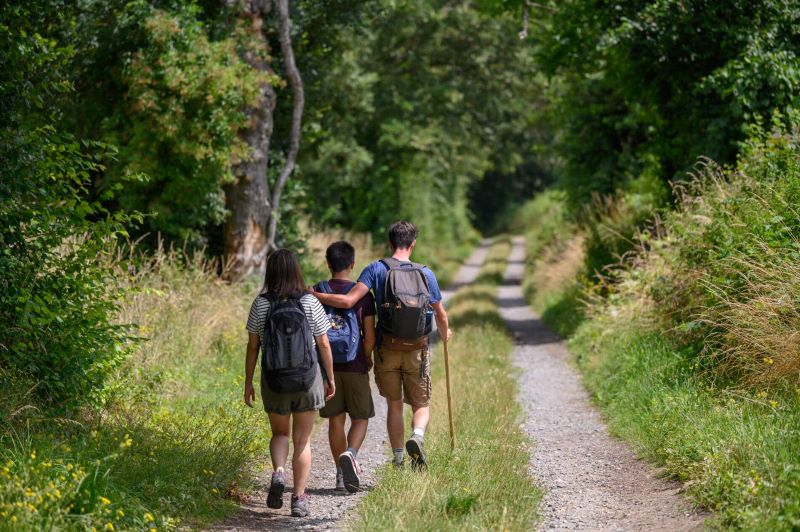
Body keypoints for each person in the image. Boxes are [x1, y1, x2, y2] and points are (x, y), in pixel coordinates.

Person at [313, 221, 452, 469]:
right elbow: (440, 314)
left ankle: (398, 459)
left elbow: (349, 301)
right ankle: (417, 436)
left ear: (389, 243)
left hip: (387, 349)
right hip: (416, 350)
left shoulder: (376, 269)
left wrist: (315, 295)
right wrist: (445, 333)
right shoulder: (425, 273)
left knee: (394, 405)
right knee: (421, 404)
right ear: (413, 244)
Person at [243, 249, 335, 518]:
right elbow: (323, 343)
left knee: (280, 434)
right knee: (302, 441)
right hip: (307, 380)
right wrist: (330, 378)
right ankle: (298, 499)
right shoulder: (309, 301)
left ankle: (279, 472)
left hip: (274, 380)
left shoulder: (261, 303)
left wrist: (248, 382)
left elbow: (253, 346)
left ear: (270, 271)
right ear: (296, 270)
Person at [314, 241, 376, 493]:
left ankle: (341, 475)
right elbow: (369, 337)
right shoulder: (362, 295)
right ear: (352, 264)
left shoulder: (317, 291)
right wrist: (367, 357)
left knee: (335, 420)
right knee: (361, 417)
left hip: (327, 366)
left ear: (328, 263)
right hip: (355, 363)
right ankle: (351, 454)